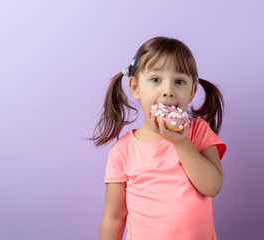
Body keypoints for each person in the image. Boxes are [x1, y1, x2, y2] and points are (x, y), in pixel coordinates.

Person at [90, 36, 227, 240]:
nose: (168, 91)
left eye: (179, 81)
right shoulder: (122, 151)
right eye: (156, 80)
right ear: (136, 87)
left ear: (192, 92)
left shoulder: (198, 131)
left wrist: (181, 142)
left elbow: (212, 186)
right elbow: (114, 217)